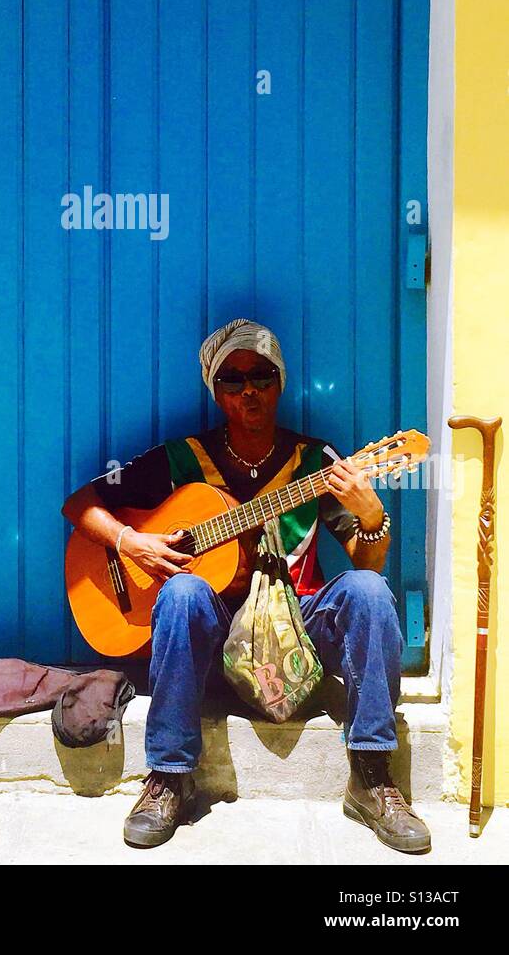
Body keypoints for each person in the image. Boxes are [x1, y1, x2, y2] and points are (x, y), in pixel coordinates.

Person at [62, 318, 431, 854]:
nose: (248, 390)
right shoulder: (181, 460)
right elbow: (80, 505)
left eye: (260, 375)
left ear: (280, 382)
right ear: (216, 391)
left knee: (370, 593)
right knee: (184, 592)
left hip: (295, 632)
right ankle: (169, 777)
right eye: (232, 380)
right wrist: (129, 543)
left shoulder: (315, 463)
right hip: (212, 638)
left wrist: (372, 516)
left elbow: (367, 563)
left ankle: (373, 776)